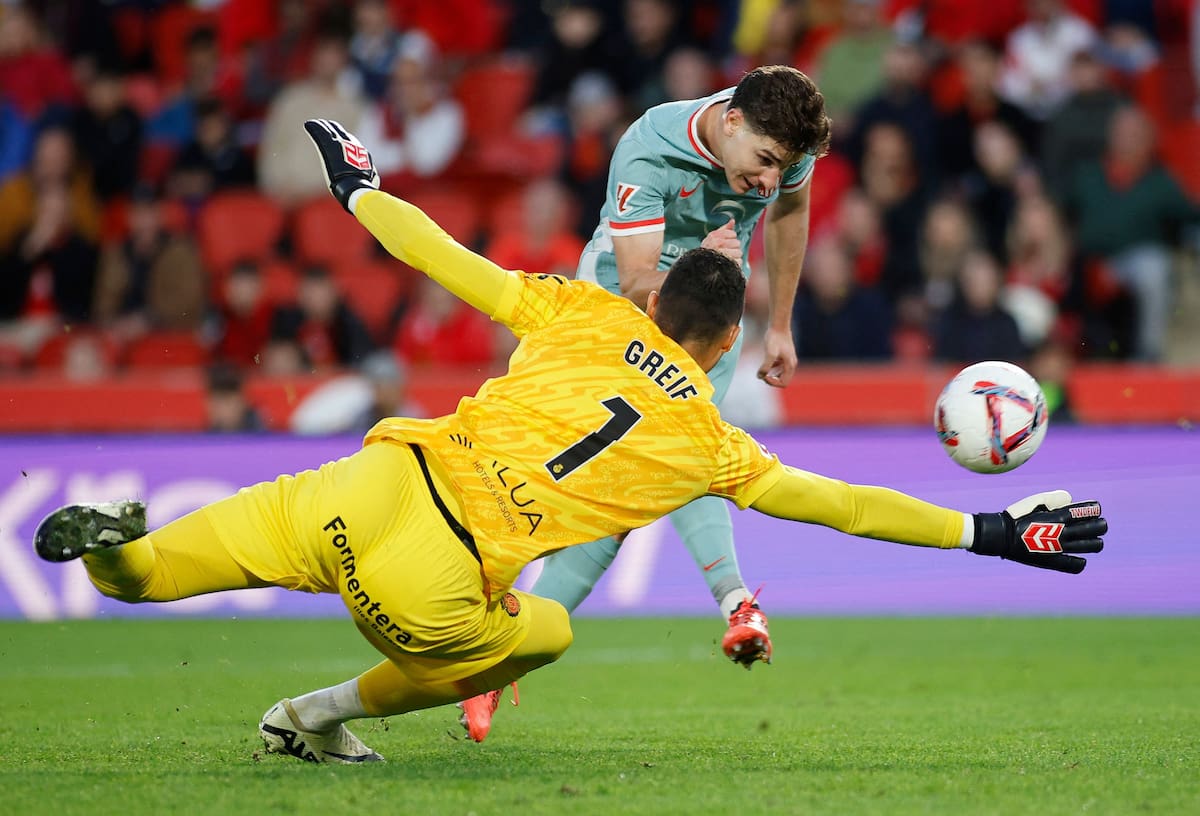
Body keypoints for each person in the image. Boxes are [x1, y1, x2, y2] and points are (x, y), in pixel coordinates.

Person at [32, 120, 1108, 765]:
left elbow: (449, 259)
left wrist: (359, 189)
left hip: (373, 481)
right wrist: (990, 530)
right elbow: (840, 503)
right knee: (542, 634)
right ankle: (313, 714)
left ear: (655, 299)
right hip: (437, 583)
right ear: (725, 338)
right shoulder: (707, 440)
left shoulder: (584, 311)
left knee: (146, 579)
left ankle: (120, 543)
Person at [452, 64, 834, 742]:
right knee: (601, 485)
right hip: (615, 312)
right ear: (732, 121)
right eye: (767, 163)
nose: (772, 181)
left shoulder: (779, 146)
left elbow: (793, 209)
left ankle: (499, 663)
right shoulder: (651, 145)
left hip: (709, 323)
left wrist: (779, 324)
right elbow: (634, 282)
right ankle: (733, 601)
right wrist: (709, 261)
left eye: (786, 167)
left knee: (678, 467)